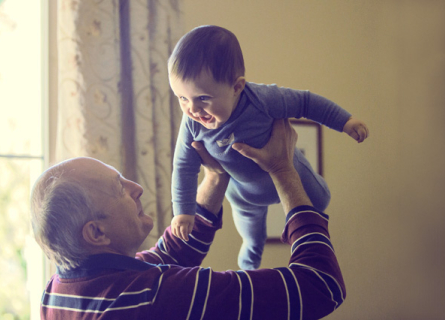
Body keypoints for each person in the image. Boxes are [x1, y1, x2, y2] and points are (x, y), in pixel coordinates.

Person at [31, 119, 345, 319]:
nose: (137, 188)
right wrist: (283, 171)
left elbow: (168, 255)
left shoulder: (57, 292)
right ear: (96, 233)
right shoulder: (157, 296)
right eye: (119, 188)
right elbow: (320, 286)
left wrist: (215, 177)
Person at [169, 25, 369, 269]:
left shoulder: (262, 99)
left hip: (290, 170)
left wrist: (345, 121)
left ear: (236, 87)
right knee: (252, 238)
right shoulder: (191, 123)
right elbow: (183, 167)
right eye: (182, 98)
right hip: (244, 195)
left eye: (203, 98)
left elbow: (306, 102)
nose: (192, 109)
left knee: (321, 200)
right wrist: (183, 211)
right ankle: (249, 268)